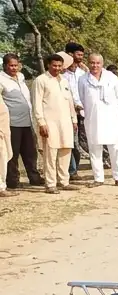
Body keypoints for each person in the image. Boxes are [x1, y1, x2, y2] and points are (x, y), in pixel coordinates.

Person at [76, 53, 118, 187]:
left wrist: (110, 108)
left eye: (97, 63)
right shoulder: (83, 79)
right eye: (92, 63)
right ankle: (98, 178)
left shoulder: (112, 77)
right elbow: (81, 97)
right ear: (89, 63)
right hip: (93, 118)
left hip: (111, 118)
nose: (95, 66)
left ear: (102, 64)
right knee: (95, 148)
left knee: (115, 148)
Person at [32, 52, 77, 194]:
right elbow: (37, 103)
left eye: (59, 66)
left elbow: (70, 102)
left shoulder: (64, 80)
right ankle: (50, 183)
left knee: (66, 150)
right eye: (54, 65)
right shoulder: (41, 80)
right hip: (49, 122)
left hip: (65, 122)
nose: (57, 68)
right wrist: (41, 122)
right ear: (48, 65)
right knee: (50, 153)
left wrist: (74, 119)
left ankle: (64, 181)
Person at [1, 53, 42, 193]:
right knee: (12, 154)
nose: (14, 68)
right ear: (5, 66)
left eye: (16, 65)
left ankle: (34, 178)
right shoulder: (1, 79)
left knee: (30, 152)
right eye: (11, 65)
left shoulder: (21, 77)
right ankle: (12, 181)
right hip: (12, 123)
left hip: (27, 121)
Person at [62, 43, 86, 181]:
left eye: (82, 55)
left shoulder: (83, 74)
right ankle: (71, 171)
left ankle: (74, 169)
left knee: (79, 144)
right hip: (67, 113)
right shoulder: (62, 75)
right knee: (70, 143)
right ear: (69, 55)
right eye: (78, 54)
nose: (80, 57)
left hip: (82, 114)